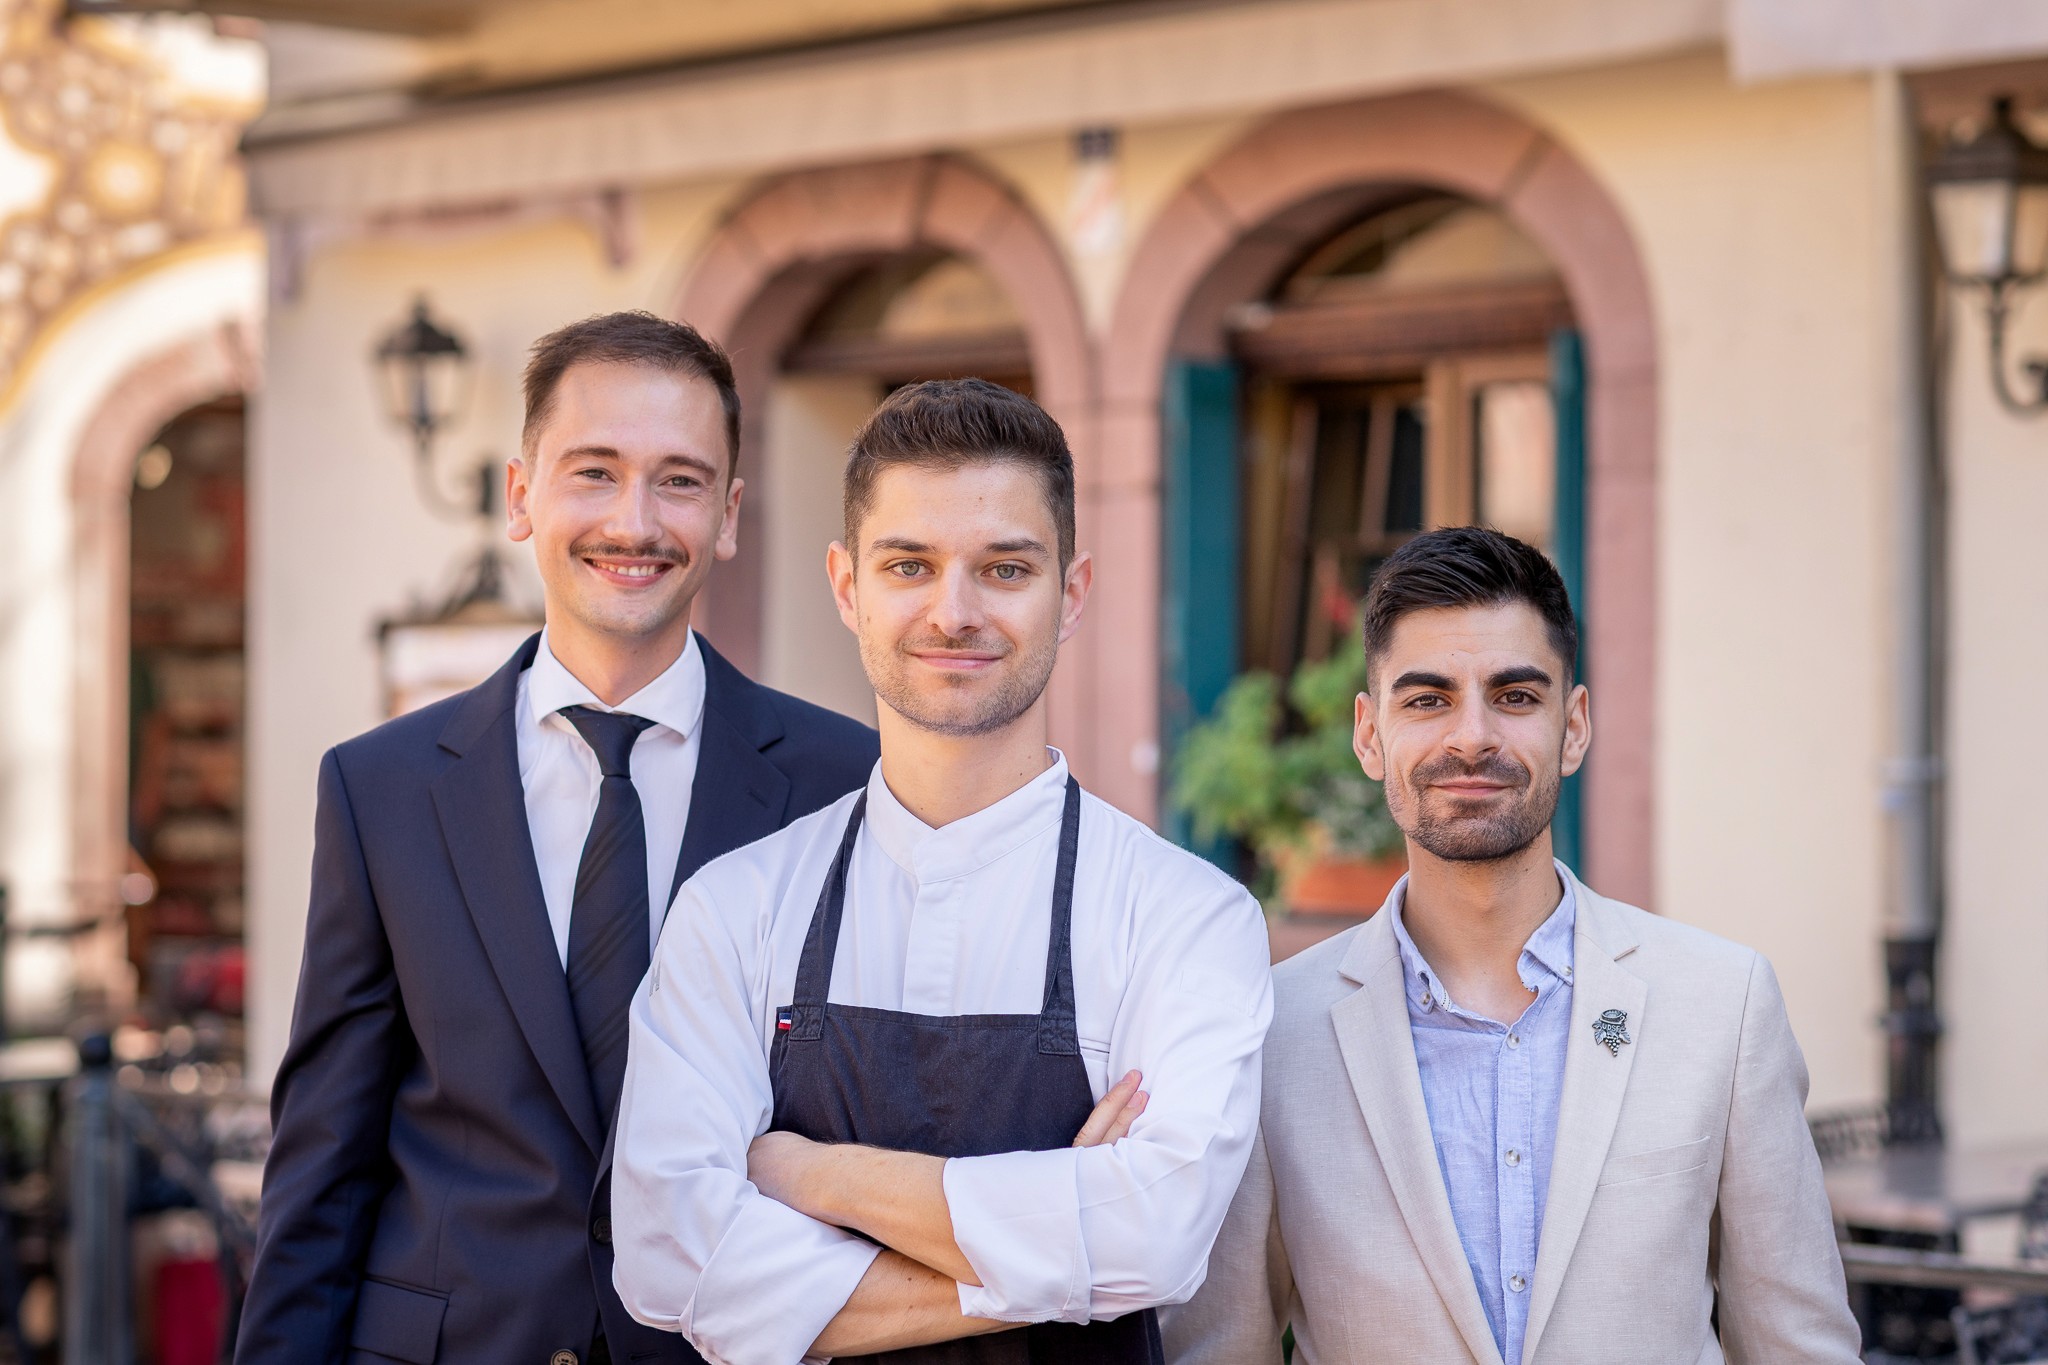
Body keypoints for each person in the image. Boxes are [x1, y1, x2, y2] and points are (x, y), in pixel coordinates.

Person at [236, 312, 879, 1365]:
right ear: (519, 496)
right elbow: (323, 1162)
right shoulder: (380, 788)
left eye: (678, 481)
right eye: (594, 472)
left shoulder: (838, 783)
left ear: (727, 516)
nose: (634, 521)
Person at [610, 377, 1273, 1365]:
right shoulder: (737, 908)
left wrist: (807, 1177)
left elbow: (1159, 1240)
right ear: (846, 587)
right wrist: (1055, 1249)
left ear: (1072, 592)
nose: (953, 613)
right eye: (908, 566)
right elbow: (670, 1261)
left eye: (1005, 569)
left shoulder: (1183, 917)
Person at [1164, 527, 1861, 1365]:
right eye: (1426, 699)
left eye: (1515, 696)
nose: (1472, 737)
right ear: (1368, 733)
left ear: (1573, 727)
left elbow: (1800, 1348)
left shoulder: (1723, 1002)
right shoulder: (1271, 1034)